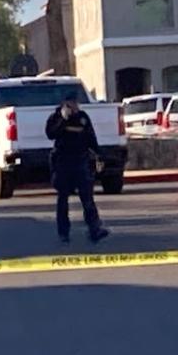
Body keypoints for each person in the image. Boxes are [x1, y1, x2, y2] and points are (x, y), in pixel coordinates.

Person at [45, 94, 109, 244]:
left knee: (87, 198)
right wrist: (63, 119)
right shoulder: (55, 117)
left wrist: (99, 154)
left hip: (81, 162)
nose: (74, 106)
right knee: (63, 200)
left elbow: (90, 137)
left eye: (75, 103)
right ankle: (63, 233)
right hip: (63, 163)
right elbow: (51, 134)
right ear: (64, 104)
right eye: (71, 103)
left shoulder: (83, 117)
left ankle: (95, 229)